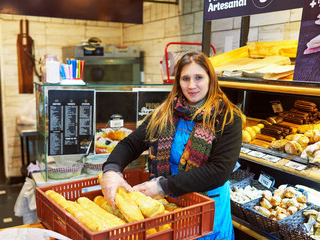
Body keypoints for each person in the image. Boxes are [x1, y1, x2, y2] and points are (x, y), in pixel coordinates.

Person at [100, 51, 246, 239]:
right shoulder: (165, 114)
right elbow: (131, 143)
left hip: (208, 207)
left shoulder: (227, 118)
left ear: (211, 79)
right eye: (185, 78)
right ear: (178, 82)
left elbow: (219, 171)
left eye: (198, 77)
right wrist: (112, 170)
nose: (191, 85)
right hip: (169, 203)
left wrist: (163, 186)